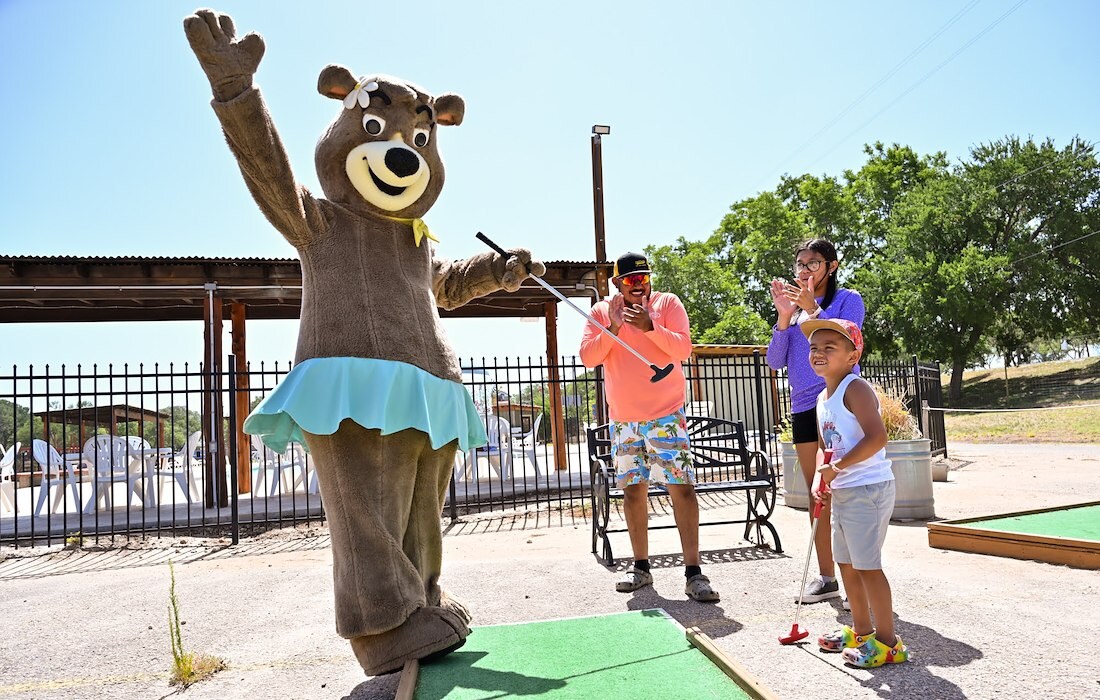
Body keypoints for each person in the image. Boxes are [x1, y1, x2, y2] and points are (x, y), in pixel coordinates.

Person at [579, 252, 719, 603]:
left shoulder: (667, 304)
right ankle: (641, 567)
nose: (639, 285)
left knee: (681, 488)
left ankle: (693, 572)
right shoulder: (601, 313)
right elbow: (588, 357)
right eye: (631, 280)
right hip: (625, 420)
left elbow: (684, 348)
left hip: (666, 415)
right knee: (633, 491)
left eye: (643, 277)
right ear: (617, 284)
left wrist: (650, 326)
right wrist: (613, 327)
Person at [803, 318, 908, 668]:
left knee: (868, 566)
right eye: (814, 348)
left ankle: (889, 644)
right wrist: (823, 480)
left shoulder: (855, 388)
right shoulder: (821, 397)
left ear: (852, 355)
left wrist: (837, 469)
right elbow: (825, 447)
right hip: (845, 488)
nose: (818, 353)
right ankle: (861, 632)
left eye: (829, 347)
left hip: (868, 489)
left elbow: (878, 437)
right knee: (846, 563)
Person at [766, 238, 865, 605]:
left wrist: (813, 310)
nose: (805, 270)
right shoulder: (793, 312)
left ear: (832, 266)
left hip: (839, 401)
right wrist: (784, 317)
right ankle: (827, 577)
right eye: (800, 264)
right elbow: (775, 362)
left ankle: (861, 572)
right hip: (804, 408)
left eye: (813, 263)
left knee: (847, 489)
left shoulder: (847, 300)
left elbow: (847, 339)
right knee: (817, 494)